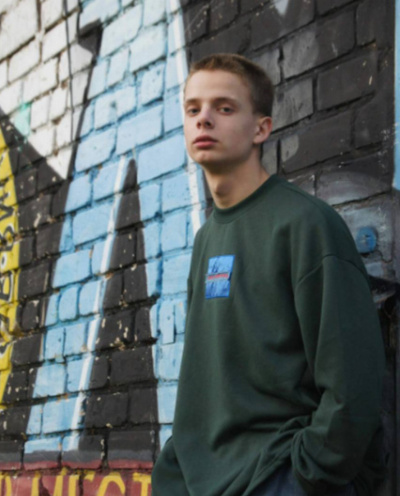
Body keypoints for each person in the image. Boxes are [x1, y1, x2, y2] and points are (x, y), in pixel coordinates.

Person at [151, 53, 386, 496]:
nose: (204, 119)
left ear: (261, 129)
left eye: (224, 108)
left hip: (279, 475)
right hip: (208, 481)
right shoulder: (206, 240)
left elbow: (353, 381)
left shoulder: (304, 224)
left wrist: (306, 473)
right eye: (193, 108)